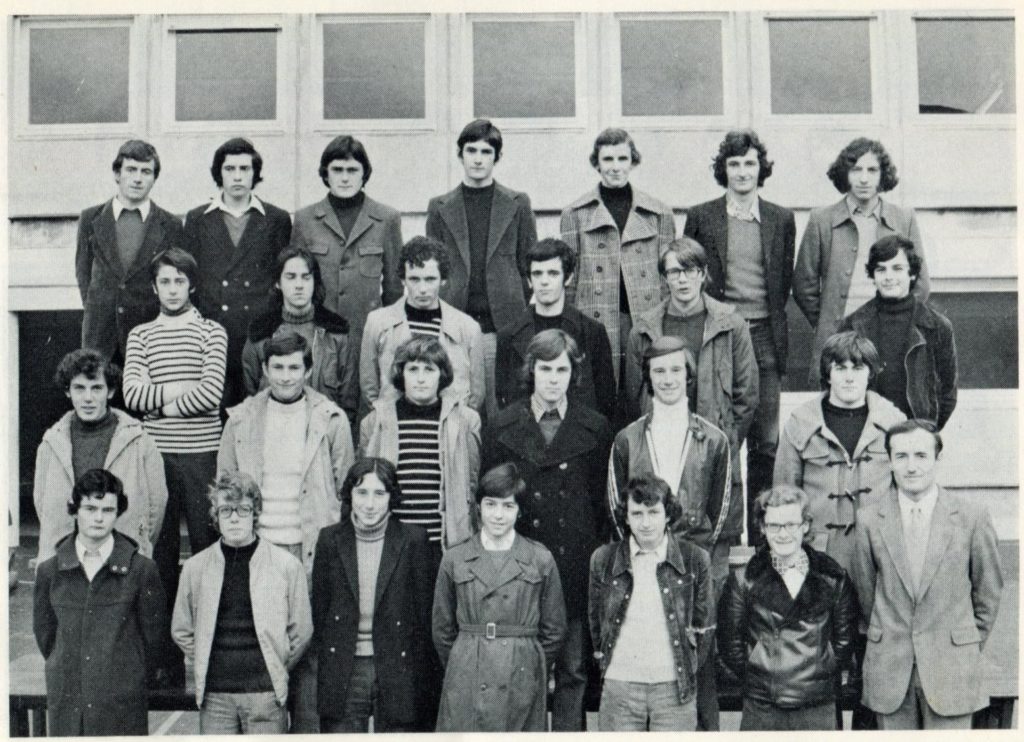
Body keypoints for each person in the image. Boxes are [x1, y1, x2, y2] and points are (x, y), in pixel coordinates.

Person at [217, 333, 354, 731]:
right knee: (267, 642)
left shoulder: (331, 418)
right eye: (277, 367)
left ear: (308, 370)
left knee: (309, 647)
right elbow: (226, 485)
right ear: (264, 369)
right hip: (261, 549)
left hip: (311, 548)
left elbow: (345, 485)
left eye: (295, 367)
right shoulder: (241, 418)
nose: (286, 376)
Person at [483, 329, 613, 730]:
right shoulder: (502, 426)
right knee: (522, 668)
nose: (553, 379)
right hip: (520, 566)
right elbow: (490, 498)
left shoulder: (595, 428)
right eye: (545, 369)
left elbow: (601, 504)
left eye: (562, 370)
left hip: (574, 567)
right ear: (531, 371)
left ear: (574, 374)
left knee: (573, 669)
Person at [610, 335, 732, 730]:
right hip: (642, 566)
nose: (667, 379)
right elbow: (616, 506)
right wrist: (646, 549)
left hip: (692, 566)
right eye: (658, 371)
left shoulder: (714, 439)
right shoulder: (627, 439)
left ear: (689, 375)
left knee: (700, 666)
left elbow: (721, 509)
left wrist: (693, 557)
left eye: (676, 370)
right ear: (647, 377)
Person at [852, 420, 1003, 729]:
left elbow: (988, 593)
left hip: (952, 670)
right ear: (890, 461)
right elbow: (865, 595)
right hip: (891, 670)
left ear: (938, 459)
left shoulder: (971, 517)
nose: (911, 466)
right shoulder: (869, 520)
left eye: (921, 455)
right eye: (901, 456)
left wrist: (960, 644)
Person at [123, 246, 228, 686]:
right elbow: (132, 395)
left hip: (203, 456)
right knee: (159, 559)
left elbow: (212, 393)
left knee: (209, 554)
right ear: (154, 287)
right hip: (157, 458)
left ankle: (212, 656)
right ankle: (164, 663)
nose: (171, 289)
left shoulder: (212, 332)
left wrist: (161, 401)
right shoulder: (141, 336)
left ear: (192, 285)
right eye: (164, 281)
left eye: (179, 281)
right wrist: (183, 389)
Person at [683, 130, 796, 508]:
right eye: (734, 163)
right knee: (714, 433)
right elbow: (689, 272)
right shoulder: (702, 216)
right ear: (724, 169)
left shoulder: (781, 218)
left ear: (761, 168)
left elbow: (783, 282)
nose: (743, 171)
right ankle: (716, 525)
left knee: (766, 442)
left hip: (764, 336)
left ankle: (762, 533)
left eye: (750, 163)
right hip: (719, 332)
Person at [623, 239, 756, 547]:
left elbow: (746, 396)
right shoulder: (644, 329)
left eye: (690, 270)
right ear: (664, 278)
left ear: (703, 274)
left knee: (712, 547)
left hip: (711, 454)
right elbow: (634, 394)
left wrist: (722, 440)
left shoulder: (730, 325)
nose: (682, 280)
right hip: (659, 452)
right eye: (674, 272)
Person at [172, 472, 313, 735]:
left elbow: (301, 631)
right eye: (226, 510)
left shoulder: (286, 566)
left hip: (266, 695)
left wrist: (274, 666)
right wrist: (206, 660)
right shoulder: (195, 568)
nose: (234, 518)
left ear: (255, 513)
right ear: (215, 516)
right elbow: (181, 629)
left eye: (243, 509)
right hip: (215, 697)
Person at [432, 463, 567, 732]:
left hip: (520, 675)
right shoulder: (456, 558)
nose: (498, 515)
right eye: (490, 504)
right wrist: (465, 659)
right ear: (478, 507)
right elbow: (442, 629)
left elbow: (554, 630)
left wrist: (528, 662)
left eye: (508, 506)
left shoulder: (539, 558)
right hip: (467, 673)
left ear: (519, 511)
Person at [33, 469, 167, 736]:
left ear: (118, 513)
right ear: (75, 510)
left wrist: (127, 676)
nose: (98, 518)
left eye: (108, 510)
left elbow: (153, 640)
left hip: (122, 708)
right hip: (69, 705)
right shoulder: (50, 572)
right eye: (90, 508)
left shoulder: (142, 570)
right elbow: (46, 637)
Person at [311, 458, 438, 732]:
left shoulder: (414, 540)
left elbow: (423, 616)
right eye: (362, 493)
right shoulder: (330, 540)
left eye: (379, 493)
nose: (369, 504)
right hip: (345, 665)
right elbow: (320, 611)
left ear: (392, 497)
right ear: (350, 494)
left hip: (397, 665)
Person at [719, 485, 858, 730]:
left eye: (791, 525)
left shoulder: (832, 576)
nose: (783, 534)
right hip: (763, 706)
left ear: (805, 526)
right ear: (762, 528)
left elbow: (844, 642)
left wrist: (821, 668)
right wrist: (760, 676)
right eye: (774, 525)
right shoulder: (744, 579)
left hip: (817, 704)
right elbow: (730, 645)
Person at [793, 137, 930, 385]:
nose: (864, 179)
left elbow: (920, 283)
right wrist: (830, 322)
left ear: (883, 174)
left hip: (890, 337)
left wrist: (898, 321)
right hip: (838, 339)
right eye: (856, 170)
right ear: (845, 174)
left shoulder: (904, 218)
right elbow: (804, 285)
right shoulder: (821, 220)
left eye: (872, 170)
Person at [426, 118, 537, 420]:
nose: (478, 159)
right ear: (460, 154)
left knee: (503, 411)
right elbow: (434, 268)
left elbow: (528, 264)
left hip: (501, 327)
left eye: (486, 152)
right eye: (471, 150)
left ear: (497, 157)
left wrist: (513, 304)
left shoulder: (517, 203)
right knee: (459, 408)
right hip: (455, 325)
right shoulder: (439, 206)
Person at [588, 475, 714, 731]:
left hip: (673, 689)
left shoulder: (695, 559)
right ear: (626, 517)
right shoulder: (604, 559)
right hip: (620, 686)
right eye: (637, 513)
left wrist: (683, 668)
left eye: (653, 512)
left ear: (667, 514)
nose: (645, 523)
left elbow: (704, 628)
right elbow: (595, 623)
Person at [774, 331, 906, 573]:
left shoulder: (894, 424)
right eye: (840, 368)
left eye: (858, 368)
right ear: (828, 373)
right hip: (818, 556)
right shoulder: (800, 423)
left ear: (870, 373)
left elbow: (907, 493)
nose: (849, 377)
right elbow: (784, 497)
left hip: (880, 554)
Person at [183, 137, 292, 409]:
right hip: (212, 336)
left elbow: (283, 279)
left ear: (255, 173)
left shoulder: (276, 219)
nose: (237, 176)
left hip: (258, 336)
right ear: (219, 173)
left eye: (245, 169)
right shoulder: (197, 219)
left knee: (258, 410)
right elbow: (189, 279)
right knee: (214, 410)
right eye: (230, 169)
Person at [561, 127, 676, 384]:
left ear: (633, 161)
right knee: (602, 388)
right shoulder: (575, 214)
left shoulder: (659, 213)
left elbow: (667, 278)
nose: (615, 167)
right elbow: (569, 281)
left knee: (643, 388)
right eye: (608, 159)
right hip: (595, 319)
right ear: (597, 163)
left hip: (645, 317)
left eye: (622, 159)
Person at [34, 348, 167, 566]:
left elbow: (156, 505)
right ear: (68, 391)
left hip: (122, 562)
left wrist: (136, 543)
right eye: (79, 388)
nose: (88, 398)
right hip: (65, 564)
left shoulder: (139, 440)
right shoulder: (51, 443)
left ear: (111, 391)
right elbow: (42, 503)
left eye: (96, 388)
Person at [359, 336, 481, 557]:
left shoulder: (465, 421)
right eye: (413, 369)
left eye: (429, 370)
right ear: (401, 373)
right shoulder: (375, 421)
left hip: (444, 548)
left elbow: (471, 484)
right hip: (393, 549)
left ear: (442, 375)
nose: (421, 379)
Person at [290, 135, 404, 354]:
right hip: (318, 336)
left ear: (364, 174)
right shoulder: (305, 219)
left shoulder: (387, 219)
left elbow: (394, 288)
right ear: (325, 173)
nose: (344, 178)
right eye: (337, 170)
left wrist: (389, 335)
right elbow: (295, 281)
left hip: (367, 337)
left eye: (352, 170)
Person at [75, 139, 184, 362]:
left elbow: (175, 278)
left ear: (154, 178)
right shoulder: (90, 218)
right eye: (131, 170)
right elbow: (83, 272)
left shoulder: (170, 224)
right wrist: (100, 310)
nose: (138, 178)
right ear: (117, 174)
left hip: (149, 335)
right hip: (100, 336)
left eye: (146, 172)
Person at [840, 235, 958, 429]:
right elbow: (838, 385)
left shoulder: (937, 326)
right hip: (867, 434)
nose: (888, 277)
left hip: (917, 432)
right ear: (873, 275)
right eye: (881, 269)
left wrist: (925, 431)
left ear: (912, 273)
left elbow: (948, 392)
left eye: (897, 268)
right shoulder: (853, 325)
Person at [495, 237, 616, 421]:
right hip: (526, 432)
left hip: (577, 432)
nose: (544, 281)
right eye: (537, 274)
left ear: (568, 278)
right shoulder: (508, 335)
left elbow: (605, 400)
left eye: (552, 273)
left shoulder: (592, 332)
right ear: (529, 280)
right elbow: (504, 399)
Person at [360, 236, 485, 412]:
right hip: (394, 423)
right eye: (414, 279)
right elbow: (369, 389)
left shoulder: (468, 328)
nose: (423, 289)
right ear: (403, 280)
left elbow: (476, 395)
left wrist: (456, 424)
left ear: (443, 279)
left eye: (430, 279)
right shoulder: (377, 323)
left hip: (451, 424)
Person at [241, 245, 358, 425]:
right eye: (291, 277)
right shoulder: (261, 335)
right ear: (278, 283)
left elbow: (348, 404)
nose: (299, 285)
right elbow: (250, 399)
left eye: (306, 277)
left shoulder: (337, 334)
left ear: (315, 282)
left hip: (324, 434)